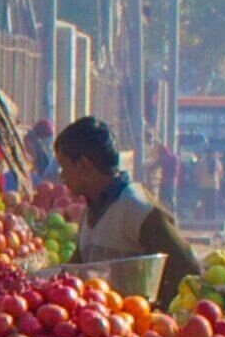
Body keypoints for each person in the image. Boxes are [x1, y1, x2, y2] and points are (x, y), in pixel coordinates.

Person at [51, 116, 200, 294]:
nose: (61, 176)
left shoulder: (138, 208)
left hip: (134, 311)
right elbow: (75, 272)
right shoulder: (89, 212)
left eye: (64, 167)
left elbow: (188, 269)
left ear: (84, 165)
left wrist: (156, 305)